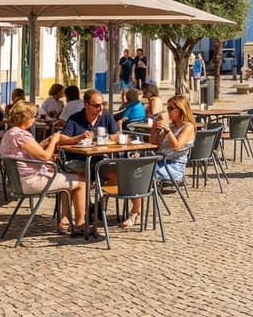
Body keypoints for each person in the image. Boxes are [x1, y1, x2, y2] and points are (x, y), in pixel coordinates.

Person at [0, 100, 86, 233]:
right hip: (31, 181)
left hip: (19, 181)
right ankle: (80, 224)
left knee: (67, 181)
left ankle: (65, 220)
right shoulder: (22, 135)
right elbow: (45, 156)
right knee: (80, 181)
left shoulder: (9, 134)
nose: (34, 119)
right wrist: (54, 141)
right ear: (25, 118)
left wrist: (46, 141)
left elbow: (32, 152)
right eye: (33, 116)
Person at [120, 95, 195, 229]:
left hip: (173, 167)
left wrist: (167, 130)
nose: (169, 111)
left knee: (136, 174)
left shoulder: (187, 127)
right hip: (159, 162)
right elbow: (154, 143)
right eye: (168, 108)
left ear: (181, 110)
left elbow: (176, 146)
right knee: (127, 168)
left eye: (172, 108)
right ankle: (135, 208)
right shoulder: (172, 126)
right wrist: (154, 128)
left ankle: (135, 212)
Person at [57, 89, 119, 168]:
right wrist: (80, 138)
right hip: (78, 159)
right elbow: (61, 140)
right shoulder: (75, 119)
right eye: (97, 105)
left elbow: (116, 135)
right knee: (90, 170)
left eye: (102, 104)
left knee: (115, 171)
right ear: (86, 105)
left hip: (101, 159)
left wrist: (107, 138)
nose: (101, 108)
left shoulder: (106, 116)